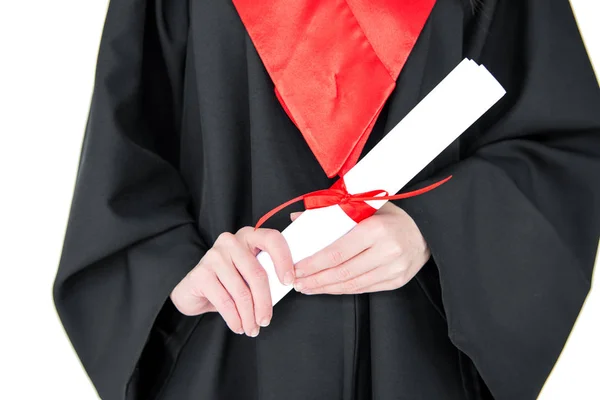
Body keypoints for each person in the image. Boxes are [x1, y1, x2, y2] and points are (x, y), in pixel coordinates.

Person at [54, 0, 600, 399]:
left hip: (418, 356)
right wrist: (175, 275)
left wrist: (435, 228)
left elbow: (560, 149)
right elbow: (125, 157)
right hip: (229, 352)